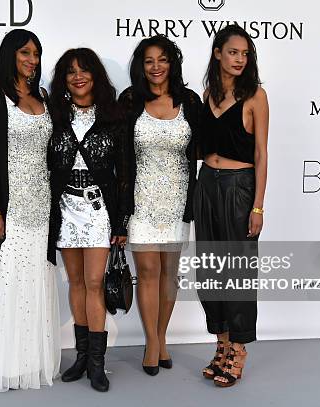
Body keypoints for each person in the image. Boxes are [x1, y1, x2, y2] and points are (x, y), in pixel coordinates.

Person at [0, 29, 60, 391]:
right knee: (7, 285)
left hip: (42, 208)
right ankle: (6, 367)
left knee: (36, 284)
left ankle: (34, 363)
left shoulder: (44, 98)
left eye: (36, 54)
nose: (32, 60)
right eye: (25, 53)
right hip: (10, 209)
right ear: (10, 55)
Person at [47, 48, 133, 392]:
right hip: (65, 205)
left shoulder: (113, 116)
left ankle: (98, 364)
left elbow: (125, 171)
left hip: (98, 209)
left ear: (95, 76)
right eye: (70, 71)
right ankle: (81, 357)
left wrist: (121, 222)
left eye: (84, 70)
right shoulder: (54, 115)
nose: (78, 76)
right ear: (64, 80)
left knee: (95, 283)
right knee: (77, 283)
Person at [118, 35, 202, 376]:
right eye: (149, 60)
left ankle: (162, 336)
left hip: (178, 199)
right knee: (148, 273)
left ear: (172, 63)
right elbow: (120, 157)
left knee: (170, 274)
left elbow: (203, 149)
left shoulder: (190, 102)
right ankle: (152, 342)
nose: (156, 67)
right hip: (140, 200)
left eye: (162, 59)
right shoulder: (129, 101)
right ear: (141, 65)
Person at [196, 24, 269, 387]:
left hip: (240, 188)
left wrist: (257, 206)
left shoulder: (255, 96)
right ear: (218, 54)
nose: (240, 59)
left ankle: (239, 348)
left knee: (237, 272)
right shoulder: (206, 93)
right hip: (206, 185)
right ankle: (221, 343)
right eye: (233, 52)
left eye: (245, 53)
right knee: (210, 270)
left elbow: (261, 153)